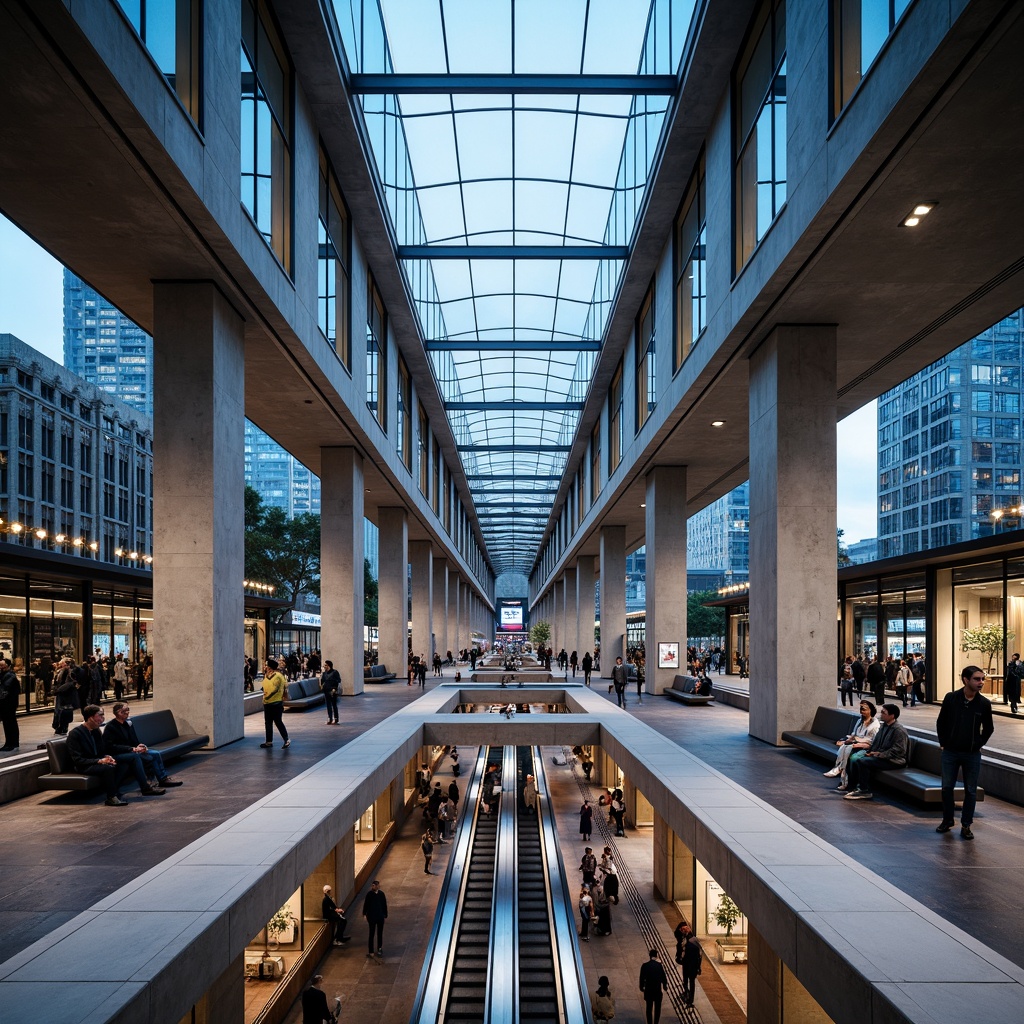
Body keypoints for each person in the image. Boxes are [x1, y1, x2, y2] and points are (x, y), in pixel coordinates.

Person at [935, 665, 995, 841]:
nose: (981, 682)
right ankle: (947, 820)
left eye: (982, 679)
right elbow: (941, 722)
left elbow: (989, 728)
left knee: (970, 790)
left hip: (971, 754)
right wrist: (944, 743)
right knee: (947, 788)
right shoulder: (951, 698)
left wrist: (978, 744)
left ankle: (966, 825)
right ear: (966, 680)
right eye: (977, 679)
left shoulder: (984, 703)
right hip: (951, 752)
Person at [104, 702, 183, 789]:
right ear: (119, 712)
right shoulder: (111, 727)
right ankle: (147, 784)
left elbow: (134, 740)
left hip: (131, 750)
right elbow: (110, 746)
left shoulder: (127, 724)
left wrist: (141, 746)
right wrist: (131, 749)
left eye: (128, 710)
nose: (127, 712)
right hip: (119, 753)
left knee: (155, 753)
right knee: (141, 757)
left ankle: (163, 779)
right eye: (125, 711)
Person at [66, 705, 132, 806]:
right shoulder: (75, 734)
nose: (102, 719)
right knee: (108, 768)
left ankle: (114, 791)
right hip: (84, 765)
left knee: (123, 764)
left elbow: (101, 750)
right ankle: (111, 797)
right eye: (100, 716)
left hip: (96, 761)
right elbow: (78, 759)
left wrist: (107, 756)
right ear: (90, 717)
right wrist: (100, 761)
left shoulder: (96, 731)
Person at [843, 703, 910, 800]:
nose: (881, 714)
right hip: (881, 756)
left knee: (863, 762)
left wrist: (879, 754)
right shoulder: (884, 726)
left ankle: (864, 790)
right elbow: (876, 742)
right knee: (853, 758)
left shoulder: (898, 730)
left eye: (884, 713)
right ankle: (851, 787)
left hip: (894, 760)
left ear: (892, 716)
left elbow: (899, 750)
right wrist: (871, 751)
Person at [823, 699, 879, 790]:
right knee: (845, 746)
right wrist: (850, 740)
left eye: (864, 709)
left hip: (866, 747)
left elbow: (872, 742)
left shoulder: (875, 725)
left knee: (851, 756)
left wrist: (857, 742)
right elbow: (854, 734)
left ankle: (845, 778)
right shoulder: (860, 721)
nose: (861, 711)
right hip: (855, 743)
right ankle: (841, 771)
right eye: (861, 709)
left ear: (871, 711)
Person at [260, 658, 290, 749]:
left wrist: (267, 696)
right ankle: (269, 741)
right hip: (268, 703)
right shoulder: (267, 676)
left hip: (276, 703)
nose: (265, 667)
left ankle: (286, 739)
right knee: (268, 722)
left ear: (270, 667)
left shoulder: (278, 676)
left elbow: (275, 689)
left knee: (278, 721)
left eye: (266, 665)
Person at [638, 948, 668, 1024]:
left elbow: (641, 978)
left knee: (649, 1008)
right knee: (657, 1009)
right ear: (656, 956)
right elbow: (663, 977)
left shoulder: (645, 966)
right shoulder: (659, 966)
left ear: (649, 955)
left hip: (649, 990)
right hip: (657, 990)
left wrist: (641, 987)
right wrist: (664, 985)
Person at [0, 657, 21, 752]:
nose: (1, 667)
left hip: (8, 704)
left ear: (7, 665)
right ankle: (12, 743)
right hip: (8, 703)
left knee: (9, 723)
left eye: (2, 665)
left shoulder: (9, 676)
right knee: (9, 723)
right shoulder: (5, 675)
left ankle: (11, 743)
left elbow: (5, 689)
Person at [362, 879, 387, 957]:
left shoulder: (381, 894)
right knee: (371, 934)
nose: (377, 887)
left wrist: (385, 915)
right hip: (372, 917)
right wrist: (364, 914)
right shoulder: (369, 894)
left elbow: (384, 905)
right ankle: (371, 951)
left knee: (380, 933)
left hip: (380, 917)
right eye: (376, 885)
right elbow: (366, 905)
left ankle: (379, 949)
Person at [679, 925, 703, 1006]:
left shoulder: (688, 942)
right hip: (693, 965)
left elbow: (684, 955)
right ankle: (690, 998)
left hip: (687, 965)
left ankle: (687, 993)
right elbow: (700, 954)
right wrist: (699, 966)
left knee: (686, 981)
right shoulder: (694, 940)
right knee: (692, 982)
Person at [320, 660, 341, 724]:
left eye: (325, 665)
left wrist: (335, 688)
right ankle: (330, 718)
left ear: (329, 666)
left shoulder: (335, 672)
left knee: (334, 705)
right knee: (328, 705)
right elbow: (322, 681)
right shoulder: (324, 673)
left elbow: (338, 680)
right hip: (326, 690)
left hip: (333, 690)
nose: (324, 666)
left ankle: (336, 718)